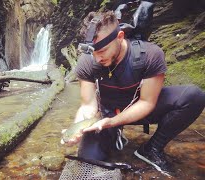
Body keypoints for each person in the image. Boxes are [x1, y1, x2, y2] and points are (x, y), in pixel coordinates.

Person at [65, 11, 205, 173]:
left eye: (102, 51)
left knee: (194, 96)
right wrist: (76, 129)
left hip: (142, 108)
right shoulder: (87, 63)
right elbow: (88, 105)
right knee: (88, 160)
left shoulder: (150, 55)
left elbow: (147, 102)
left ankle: (151, 148)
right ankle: (112, 135)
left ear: (120, 37)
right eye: (93, 53)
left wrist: (113, 121)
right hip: (106, 114)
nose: (97, 59)